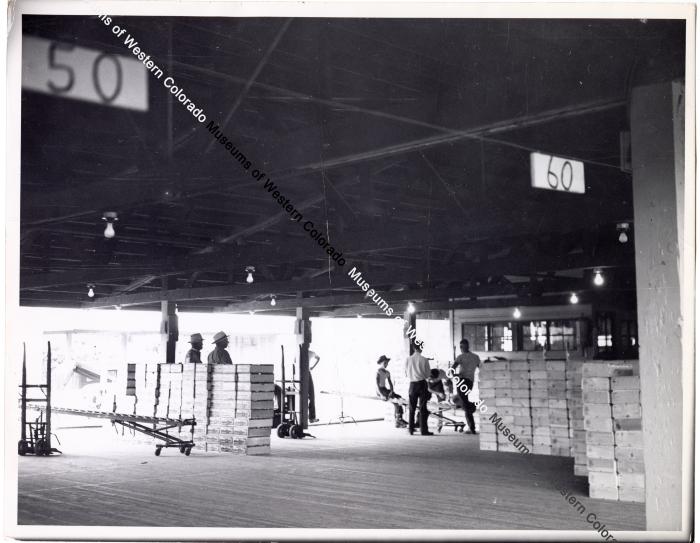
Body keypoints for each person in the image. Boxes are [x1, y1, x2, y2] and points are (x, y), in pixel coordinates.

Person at [452, 339, 481, 434]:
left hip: (462, 381)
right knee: (464, 401)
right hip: (470, 382)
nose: (461, 348)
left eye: (461, 347)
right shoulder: (475, 357)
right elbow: (481, 368)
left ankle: (472, 427)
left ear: (462, 347)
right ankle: (471, 426)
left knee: (464, 402)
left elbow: (452, 370)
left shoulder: (460, 357)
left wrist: (455, 375)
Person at [404, 343, 433, 436]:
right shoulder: (424, 359)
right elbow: (428, 374)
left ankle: (411, 429)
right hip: (422, 384)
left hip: (412, 385)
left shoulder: (408, 359)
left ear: (413, 348)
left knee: (412, 407)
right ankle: (423, 430)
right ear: (421, 348)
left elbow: (405, 373)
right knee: (423, 407)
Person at [375, 355, 408, 428]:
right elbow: (377, 385)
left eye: (386, 363)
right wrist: (381, 395)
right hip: (380, 390)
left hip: (385, 389)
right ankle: (398, 420)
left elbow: (390, 383)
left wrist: (391, 391)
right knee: (397, 401)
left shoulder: (387, 372)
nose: (386, 364)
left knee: (399, 398)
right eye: (385, 363)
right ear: (381, 363)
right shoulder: (378, 371)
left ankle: (399, 420)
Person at [308, 350, 320, 423]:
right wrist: (312, 367)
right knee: (311, 396)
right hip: (304, 373)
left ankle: (311, 418)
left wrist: (312, 367)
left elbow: (318, 358)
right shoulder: (310, 352)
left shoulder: (311, 353)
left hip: (303, 373)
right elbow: (318, 358)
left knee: (311, 396)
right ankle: (311, 418)